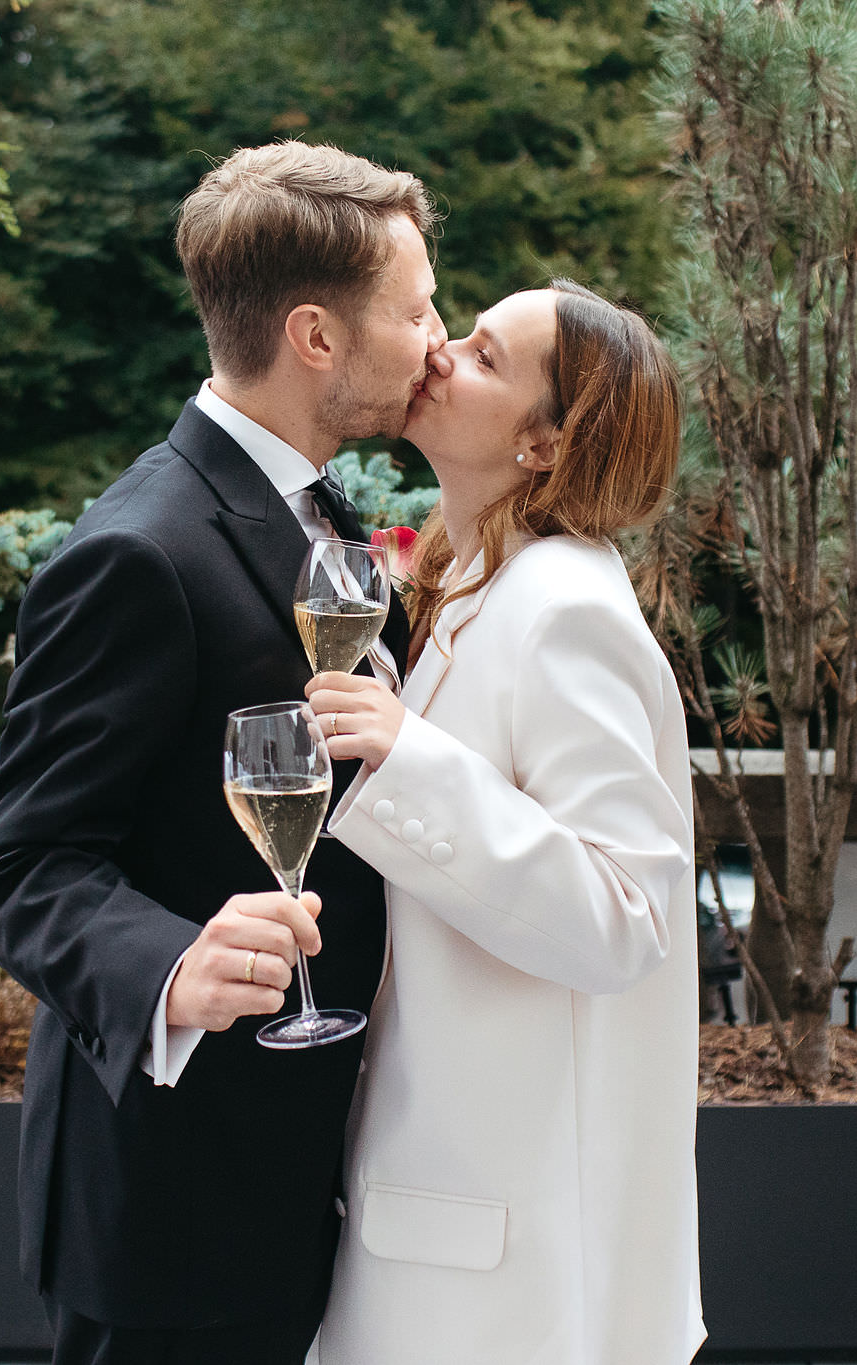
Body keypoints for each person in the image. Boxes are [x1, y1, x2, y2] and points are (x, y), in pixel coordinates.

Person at [0, 141, 445, 1365]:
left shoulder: (315, 505)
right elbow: (21, 865)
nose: (435, 338)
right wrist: (174, 965)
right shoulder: (136, 553)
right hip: (171, 1212)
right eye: (413, 307)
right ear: (314, 338)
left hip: (297, 1173)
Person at [305, 281, 705, 1364]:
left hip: (510, 1253)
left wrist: (406, 759)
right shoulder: (480, 580)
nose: (438, 352)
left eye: (482, 356)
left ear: (543, 443)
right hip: (440, 1199)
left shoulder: (564, 609)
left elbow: (624, 914)